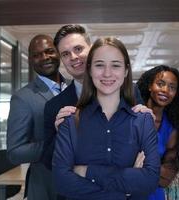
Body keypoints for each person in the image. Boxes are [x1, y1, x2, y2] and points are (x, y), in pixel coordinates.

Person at [52, 37, 160, 200]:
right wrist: (125, 190)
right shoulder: (70, 121)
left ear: (125, 71)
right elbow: (61, 181)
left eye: (115, 65)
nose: (107, 73)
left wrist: (86, 171)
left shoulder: (143, 120)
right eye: (99, 65)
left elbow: (150, 180)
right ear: (89, 70)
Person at [42, 24, 146, 170]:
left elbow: (146, 147)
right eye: (65, 54)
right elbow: (48, 162)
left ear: (91, 49)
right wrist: (61, 135)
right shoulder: (55, 106)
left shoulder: (130, 92)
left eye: (78, 49)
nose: (73, 57)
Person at [7, 34, 69, 200]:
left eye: (49, 51)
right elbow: (15, 153)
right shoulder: (23, 98)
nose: (44, 57)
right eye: (37, 55)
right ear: (30, 60)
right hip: (46, 187)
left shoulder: (77, 88)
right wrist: (57, 144)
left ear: (58, 53)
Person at [136, 65, 179, 200]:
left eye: (172, 87)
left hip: (153, 194)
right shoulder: (130, 116)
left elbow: (165, 178)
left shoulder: (172, 128)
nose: (165, 90)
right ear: (150, 86)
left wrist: (138, 167)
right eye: (160, 84)